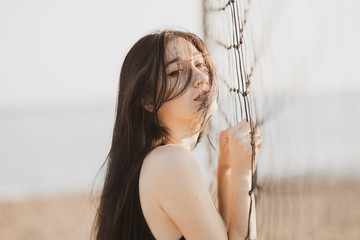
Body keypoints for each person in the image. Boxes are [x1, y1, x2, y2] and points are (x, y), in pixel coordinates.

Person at [92, 29, 263, 240]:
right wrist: (243, 173)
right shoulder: (169, 162)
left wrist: (226, 169)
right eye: (175, 72)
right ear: (147, 100)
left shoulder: (151, 162)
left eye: (200, 65)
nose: (201, 78)